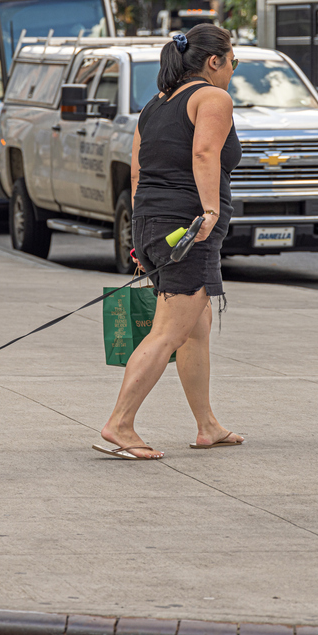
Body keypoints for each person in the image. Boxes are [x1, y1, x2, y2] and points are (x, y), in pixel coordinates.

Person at [95, 25, 244, 460]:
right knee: (167, 332)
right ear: (214, 61)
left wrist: (144, 238)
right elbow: (204, 154)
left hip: (154, 222)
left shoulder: (155, 106)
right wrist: (210, 212)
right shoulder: (212, 98)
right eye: (232, 60)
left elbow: (138, 171)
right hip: (188, 226)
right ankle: (119, 424)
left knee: (194, 330)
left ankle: (207, 426)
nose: (233, 69)